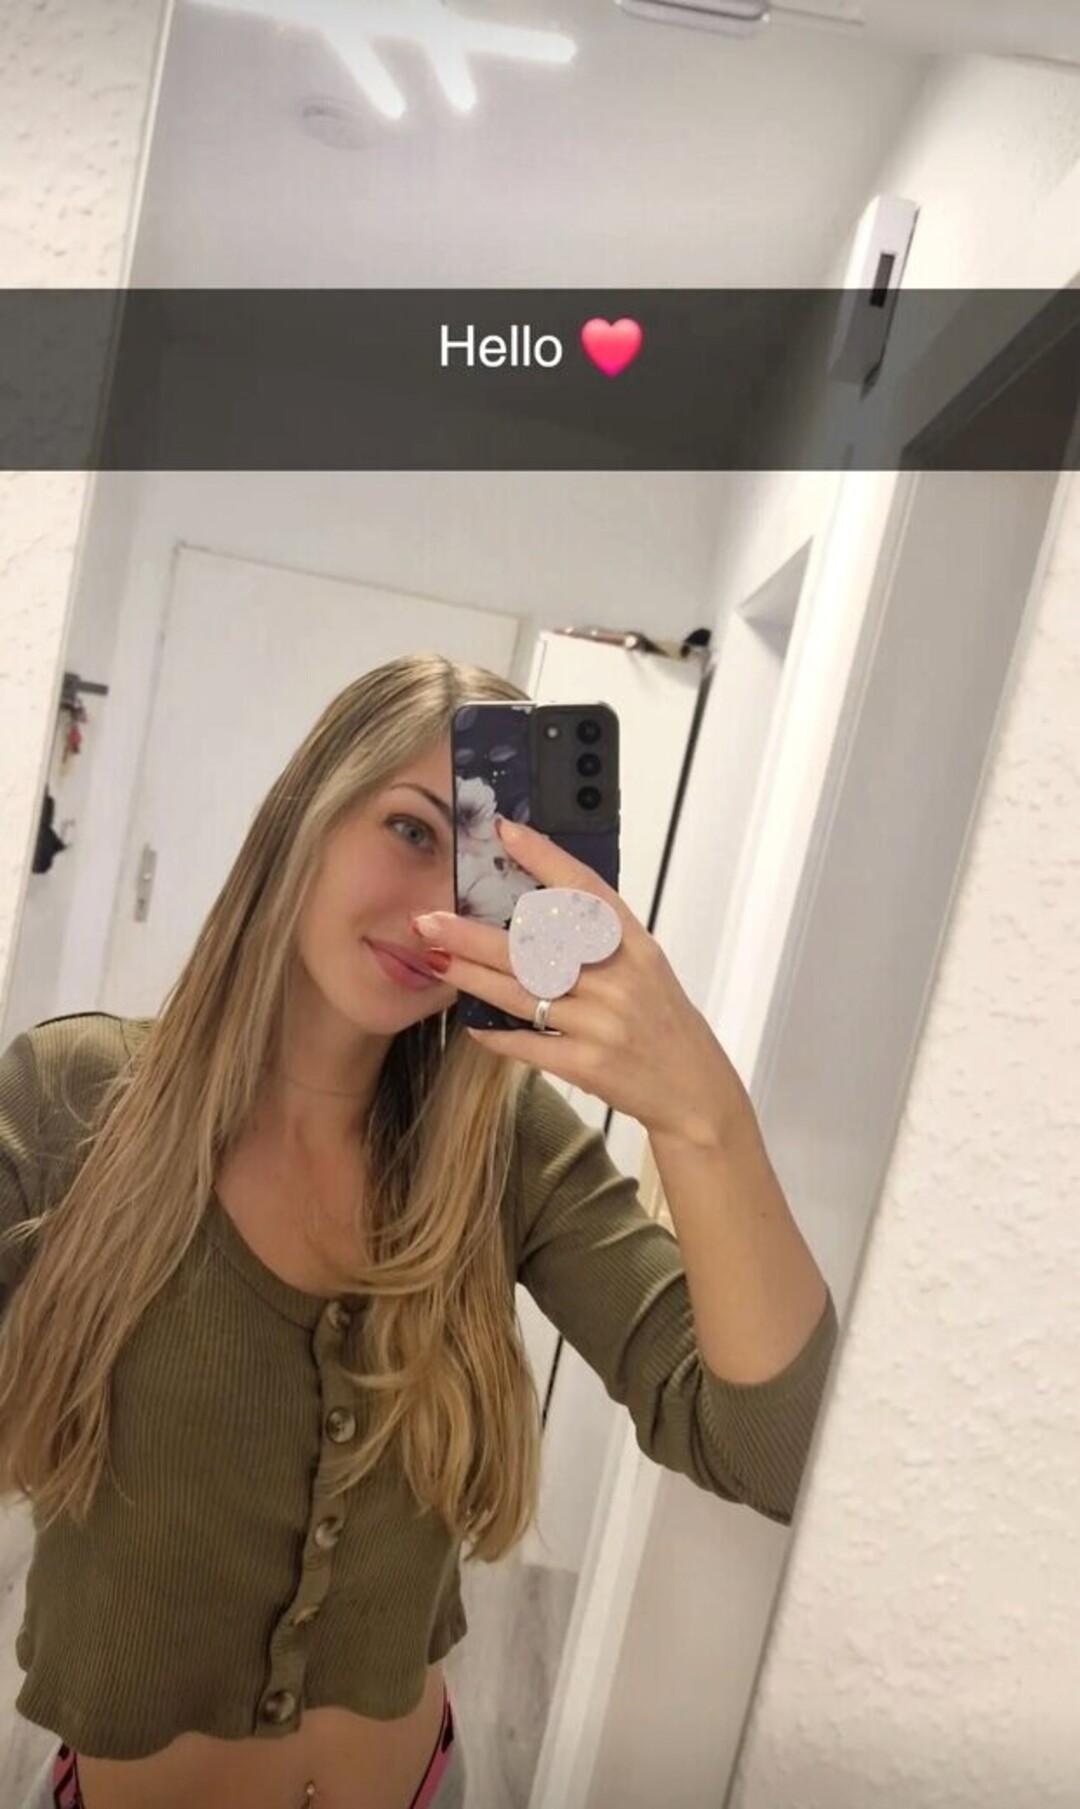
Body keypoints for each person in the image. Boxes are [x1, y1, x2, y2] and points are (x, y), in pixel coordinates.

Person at [0, 652, 838, 1809]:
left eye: (492, 871)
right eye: (412, 829)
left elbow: (772, 1449)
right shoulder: (74, 1098)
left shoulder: (504, 1148)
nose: (439, 910)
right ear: (307, 812)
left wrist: (705, 1118)